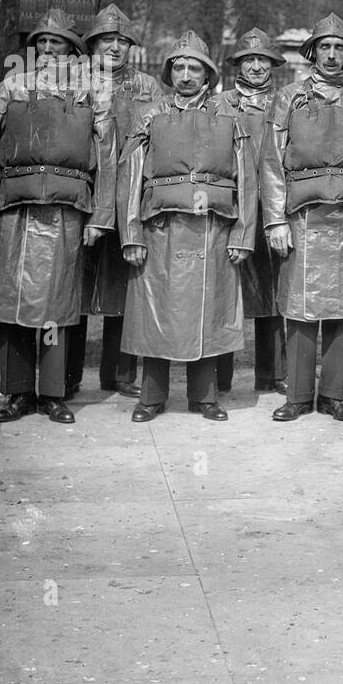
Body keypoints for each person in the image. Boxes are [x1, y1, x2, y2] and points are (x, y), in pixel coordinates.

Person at [0, 8, 116, 424]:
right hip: (16, 208)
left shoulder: (93, 93)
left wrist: (99, 218)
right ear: (32, 49)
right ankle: (18, 392)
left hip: (67, 211)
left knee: (58, 302)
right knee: (13, 302)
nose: (49, 49)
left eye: (58, 43)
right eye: (42, 42)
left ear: (73, 51)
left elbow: (106, 161)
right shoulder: (11, 87)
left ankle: (53, 393)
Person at [260, 13, 343, 423]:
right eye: (325, 47)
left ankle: (335, 395)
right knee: (300, 309)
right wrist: (275, 221)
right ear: (312, 52)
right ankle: (298, 395)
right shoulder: (289, 99)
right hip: (302, 218)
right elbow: (270, 163)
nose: (332, 55)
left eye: (339, 48)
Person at [118, 31, 257, 422]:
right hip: (160, 230)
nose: (185, 74)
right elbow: (130, 176)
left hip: (213, 230)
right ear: (169, 73)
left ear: (208, 74)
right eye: (178, 67)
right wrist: (131, 234)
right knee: (156, 314)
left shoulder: (230, 117)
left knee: (209, 312)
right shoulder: (150, 115)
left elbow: (247, 180)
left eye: (194, 67)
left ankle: (204, 396)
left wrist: (243, 234)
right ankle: (151, 397)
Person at [67, 3, 161, 400]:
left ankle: (118, 373)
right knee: (73, 285)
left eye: (122, 41)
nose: (115, 48)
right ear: (92, 44)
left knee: (123, 286)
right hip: (83, 194)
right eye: (107, 40)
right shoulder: (73, 81)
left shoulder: (148, 87)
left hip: (131, 196)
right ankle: (68, 376)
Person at [211, 28, 287, 396]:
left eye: (262, 60)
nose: (256, 66)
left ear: (273, 64)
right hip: (233, 206)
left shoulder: (286, 102)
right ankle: (220, 376)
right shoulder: (219, 103)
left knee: (274, 290)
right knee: (228, 289)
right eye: (248, 60)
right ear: (238, 64)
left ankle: (272, 376)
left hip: (272, 205)